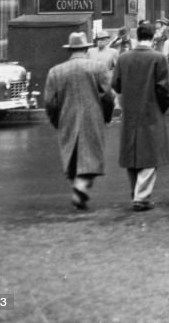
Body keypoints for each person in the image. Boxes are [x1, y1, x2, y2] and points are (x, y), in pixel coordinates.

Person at [44, 32, 115, 209]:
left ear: (70, 49)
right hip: (93, 116)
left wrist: (56, 120)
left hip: (66, 117)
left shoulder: (56, 71)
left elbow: (49, 102)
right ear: (86, 48)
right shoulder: (98, 68)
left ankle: (78, 188)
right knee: (91, 157)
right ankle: (81, 188)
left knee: (72, 155)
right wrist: (106, 115)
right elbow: (108, 96)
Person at [112, 20, 169, 211]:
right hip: (151, 110)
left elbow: (116, 85)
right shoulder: (158, 58)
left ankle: (135, 192)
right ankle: (141, 196)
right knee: (151, 155)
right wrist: (160, 108)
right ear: (153, 36)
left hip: (130, 111)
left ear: (137, 37)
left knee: (132, 154)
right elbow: (166, 89)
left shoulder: (123, 58)